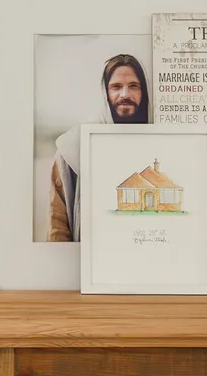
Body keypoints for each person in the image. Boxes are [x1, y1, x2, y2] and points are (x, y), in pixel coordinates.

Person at [47, 53, 149, 242]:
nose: (125, 94)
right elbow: (58, 228)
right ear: (105, 93)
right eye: (116, 87)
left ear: (145, 93)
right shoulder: (74, 146)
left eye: (133, 86)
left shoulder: (161, 142)